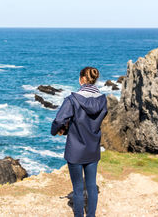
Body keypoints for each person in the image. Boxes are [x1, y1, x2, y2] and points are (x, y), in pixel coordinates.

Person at [51, 66, 108, 217]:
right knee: (91, 186)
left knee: (77, 188)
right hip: (93, 148)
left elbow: (59, 120)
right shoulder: (103, 100)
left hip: (75, 150)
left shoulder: (72, 99)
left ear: (82, 79)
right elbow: (93, 121)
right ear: (95, 80)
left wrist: (59, 130)